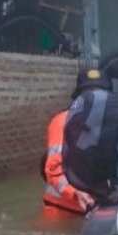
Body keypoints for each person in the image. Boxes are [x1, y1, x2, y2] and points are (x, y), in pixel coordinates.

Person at [41, 69, 107, 214]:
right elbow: (53, 168)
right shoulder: (61, 122)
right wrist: (74, 192)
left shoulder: (110, 123)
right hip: (60, 209)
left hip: (94, 210)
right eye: (89, 94)